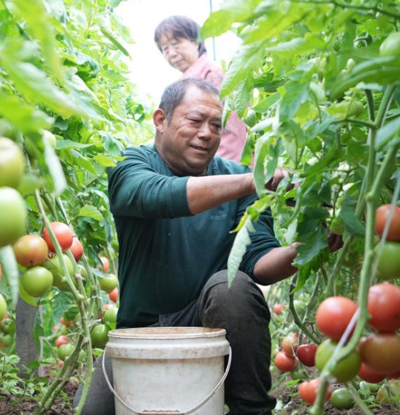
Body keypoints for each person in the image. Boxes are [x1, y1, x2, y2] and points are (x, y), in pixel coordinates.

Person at [73, 78, 299, 415]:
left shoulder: (239, 180)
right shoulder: (131, 166)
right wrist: (253, 181)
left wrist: (306, 249)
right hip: (140, 336)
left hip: (212, 335)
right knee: (90, 410)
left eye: (215, 125)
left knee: (232, 284)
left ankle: (250, 408)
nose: (206, 133)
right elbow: (161, 196)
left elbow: (259, 263)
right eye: (195, 121)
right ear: (160, 120)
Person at [155, 15, 247, 163]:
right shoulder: (186, 83)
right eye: (165, 49)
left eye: (176, 43)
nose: (171, 53)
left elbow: (231, 130)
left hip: (225, 165)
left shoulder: (212, 75)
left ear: (196, 42)